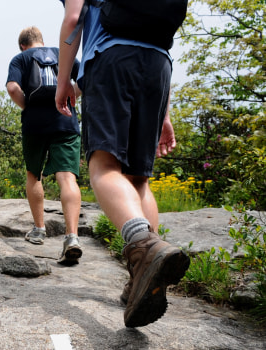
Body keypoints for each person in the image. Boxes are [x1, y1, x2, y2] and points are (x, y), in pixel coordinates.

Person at [55, 1, 190, 327]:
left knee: (104, 167)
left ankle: (143, 246)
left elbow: (74, 18)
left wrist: (63, 82)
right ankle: (141, 278)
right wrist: (166, 114)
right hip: (159, 66)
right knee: (139, 179)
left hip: (112, 59)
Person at [6, 26, 83, 265]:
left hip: (34, 124)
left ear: (22, 45)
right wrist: (70, 99)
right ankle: (71, 237)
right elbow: (87, 79)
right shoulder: (64, 54)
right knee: (67, 178)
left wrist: (27, 107)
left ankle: (39, 230)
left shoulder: (20, 59)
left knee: (34, 175)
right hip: (66, 120)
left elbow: (12, 87)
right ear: (41, 41)